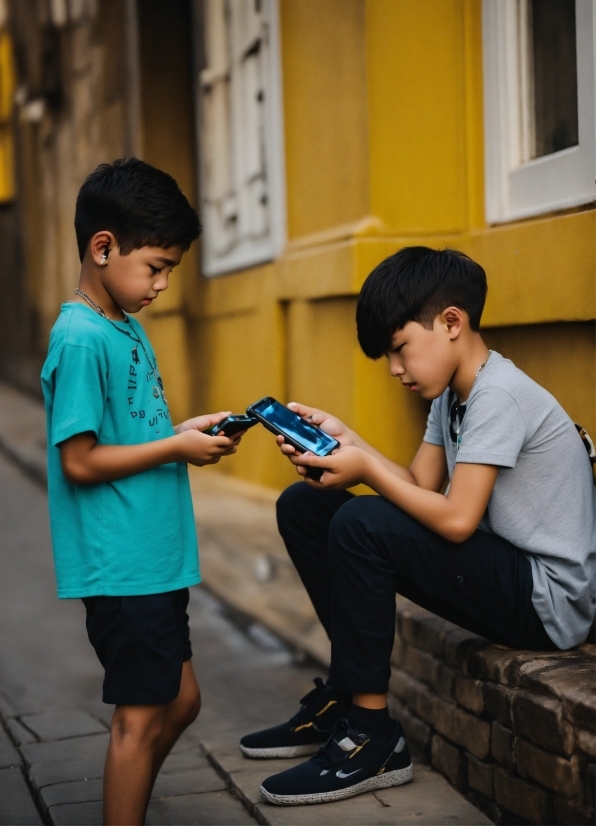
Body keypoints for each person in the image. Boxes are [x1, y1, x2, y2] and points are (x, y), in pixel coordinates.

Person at [240, 246, 596, 806]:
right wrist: (349, 444)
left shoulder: (498, 395)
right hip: (503, 570)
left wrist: (361, 473)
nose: (395, 369)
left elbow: (454, 522)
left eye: (400, 349)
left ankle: (373, 737)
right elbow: (417, 483)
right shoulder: (453, 395)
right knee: (305, 507)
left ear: (452, 322)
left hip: (547, 601)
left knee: (361, 519)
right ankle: (344, 695)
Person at [41, 158, 245, 826]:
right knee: (142, 714)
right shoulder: (78, 337)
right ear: (103, 248)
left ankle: (125, 803)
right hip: (121, 561)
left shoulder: (122, 325)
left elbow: (128, 428)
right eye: (155, 266)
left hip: (154, 556)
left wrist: (182, 430)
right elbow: (79, 460)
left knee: (179, 701)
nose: (161, 284)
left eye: (168, 270)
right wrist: (176, 449)